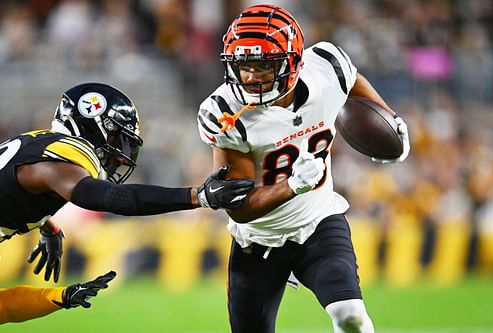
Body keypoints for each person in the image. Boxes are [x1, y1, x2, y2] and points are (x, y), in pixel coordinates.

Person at [196, 4, 410, 333]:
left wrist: (390, 121)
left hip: (318, 220)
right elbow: (239, 208)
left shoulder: (327, 66)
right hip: (259, 239)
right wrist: (293, 185)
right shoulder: (226, 112)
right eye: (243, 66)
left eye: (264, 65)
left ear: (293, 62)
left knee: (350, 314)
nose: (251, 77)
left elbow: (351, 81)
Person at [0, 82, 255, 324]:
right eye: (116, 140)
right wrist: (198, 196)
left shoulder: (38, 144)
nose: (121, 157)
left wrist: (48, 227)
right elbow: (107, 197)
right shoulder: (62, 156)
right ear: (95, 127)